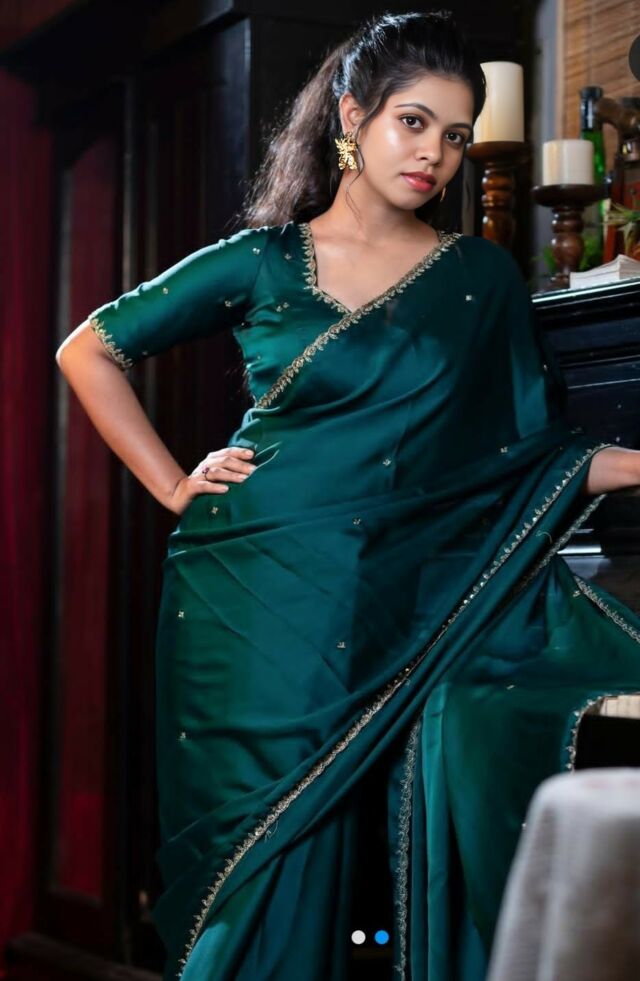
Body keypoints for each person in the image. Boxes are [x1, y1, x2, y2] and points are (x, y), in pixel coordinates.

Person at [55, 10, 640, 981]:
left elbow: (523, 457)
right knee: (248, 877)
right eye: (413, 122)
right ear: (351, 115)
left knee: (340, 870)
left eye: (456, 135)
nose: (435, 154)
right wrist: (172, 483)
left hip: (388, 599)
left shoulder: (477, 278)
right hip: (247, 599)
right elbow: (89, 348)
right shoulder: (263, 260)